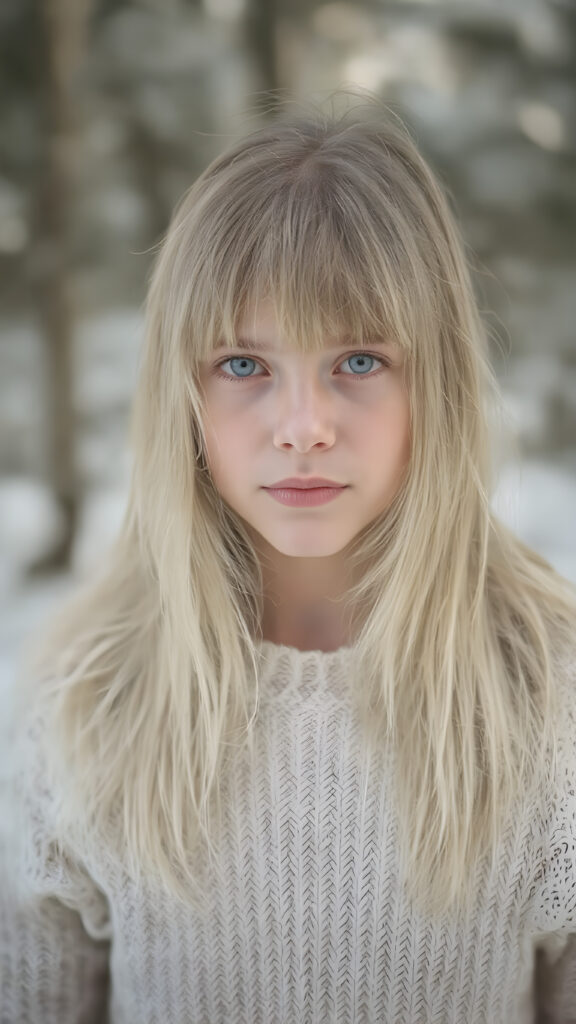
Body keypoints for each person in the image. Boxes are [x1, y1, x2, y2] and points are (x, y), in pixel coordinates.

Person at [2, 93, 576, 1024]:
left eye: (357, 361)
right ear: (179, 394)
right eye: (243, 365)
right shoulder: (87, 700)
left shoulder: (550, 703)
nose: (303, 427)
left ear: (438, 379)